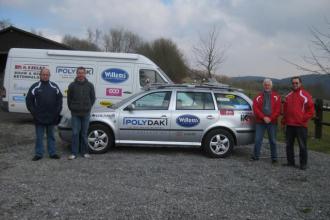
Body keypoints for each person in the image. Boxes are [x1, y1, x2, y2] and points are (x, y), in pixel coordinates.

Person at [26, 68, 63, 161]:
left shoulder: (54, 86)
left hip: (52, 117)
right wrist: (34, 113)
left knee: (51, 136)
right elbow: (29, 101)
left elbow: (59, 101)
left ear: (49, 76)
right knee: (39, 137)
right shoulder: (35, 86)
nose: (45, 76)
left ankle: (52, 153)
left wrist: (56, 113)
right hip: (39, 117)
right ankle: (39, 153)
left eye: (47, 74)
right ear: (40, 75)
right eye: (43, 74)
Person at [281, 76, 314, 170]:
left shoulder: (305, 95)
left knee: (302, 146)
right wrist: (283, 122)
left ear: (300, 84)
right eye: (293, 83)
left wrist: (303, 119)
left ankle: (303, 164)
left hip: (301, 126)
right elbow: (285, 111)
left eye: (296, 83)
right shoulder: (288, 95)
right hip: (290, 125)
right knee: (288, 145)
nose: (295, 85)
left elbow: (311, 111)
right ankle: (290, 162)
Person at [67, 66, 95, 160]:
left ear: (85, 74)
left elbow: (93, 98)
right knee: (75, 133)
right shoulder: (72, 85)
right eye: (79, 72)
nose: (80, 74)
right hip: (75, 114)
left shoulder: (90, 85)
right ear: (77, 73)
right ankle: (74, 153)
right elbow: (69, 99)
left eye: (82, 72)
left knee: (84, 133)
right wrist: (72, 108)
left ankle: (84, 152)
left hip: (86, 113)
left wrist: (88, 107)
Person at [251, 78, 281, 163]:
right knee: (257, 140)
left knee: (273, 140)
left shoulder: (276, 96)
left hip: (272, 122)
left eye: (268, 85)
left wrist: (270, 118)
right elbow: (255, 108)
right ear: (263, 85)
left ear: (271, 86)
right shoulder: (258, 96)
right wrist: (263, 117)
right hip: (260, 122)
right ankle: (255, 156)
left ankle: (274, 158)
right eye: (265, 85)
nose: (267, 86)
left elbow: (278, 110)